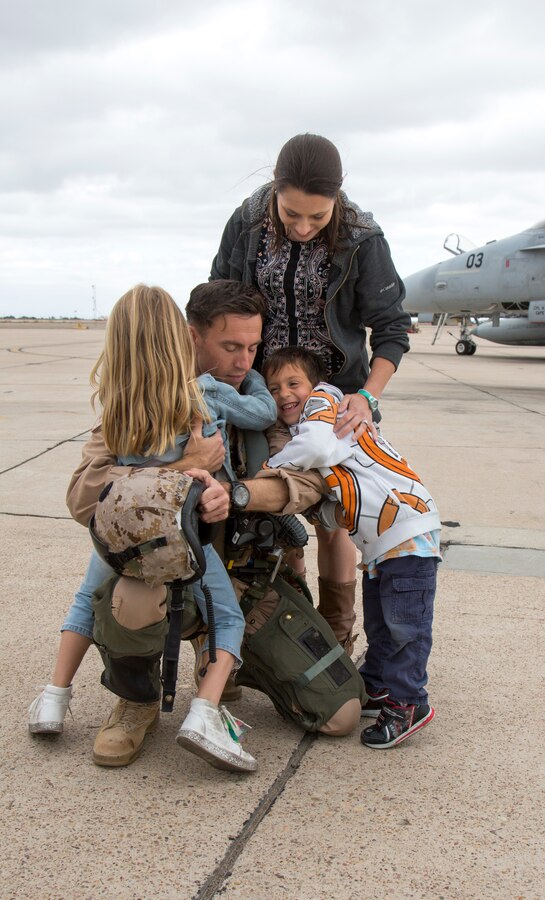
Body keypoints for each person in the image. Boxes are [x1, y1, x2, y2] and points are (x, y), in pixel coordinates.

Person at [29, 284, 278, 771]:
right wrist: (254, 385)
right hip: (182, 536)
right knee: (226, 616)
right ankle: (204, 714)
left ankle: (54, 698)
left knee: (84, 599)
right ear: (180, 337)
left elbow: (100, 487)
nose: (242, 358)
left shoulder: (118, 407)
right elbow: (262, 413)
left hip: (119, 539)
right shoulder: (202, 393)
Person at [209, 133, 412, 652]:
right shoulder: (248, 222)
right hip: (258, 390)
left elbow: (390, 329)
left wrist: (366, 398)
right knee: (272, 511)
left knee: (334, 517)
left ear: (337, 202)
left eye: (316, 219)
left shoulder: (363, 238)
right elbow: (219, 299)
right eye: (290, 214)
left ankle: (336, 636)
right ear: (274, 191)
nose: (301, 229)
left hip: (336, 396)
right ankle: (292, 629)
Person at [229, 346, 441, 749]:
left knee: (405, 626)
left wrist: (272, 469)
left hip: (407, 529)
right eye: (273, 388)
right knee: (381, 620)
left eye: (293, 384)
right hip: (384, 539)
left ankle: (410, 702)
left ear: (314, 384)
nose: (283, 394)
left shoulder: (326, 401)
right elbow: (339, 495)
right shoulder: (315, 417)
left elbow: (318, 449)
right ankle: (378, 685)